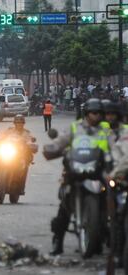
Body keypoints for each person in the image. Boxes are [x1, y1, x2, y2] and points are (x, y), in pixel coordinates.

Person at [44, 98, 111, 255]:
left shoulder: (105, 130)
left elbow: (115, 145)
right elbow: (61, 140)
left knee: (111, 196)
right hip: (75, 169)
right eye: (94, 113)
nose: (97, 116)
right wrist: (52, 148)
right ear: (86, 113)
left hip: (98, 170)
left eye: (100, 113)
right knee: (64, 204)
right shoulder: (75, 128)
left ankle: (110, 237)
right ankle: (58, 241)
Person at [0, 115, 35, 191]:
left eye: (21, 123)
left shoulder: (27, 133)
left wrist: (31, 145)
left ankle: (20, 185)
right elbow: (1, 136)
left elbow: (30, 141)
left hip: (21, 155)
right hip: (10, 151)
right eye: (17, 123)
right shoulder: (9, 130)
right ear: (14, 123)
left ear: (23, 124)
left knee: (25, 166)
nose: (19, 124)